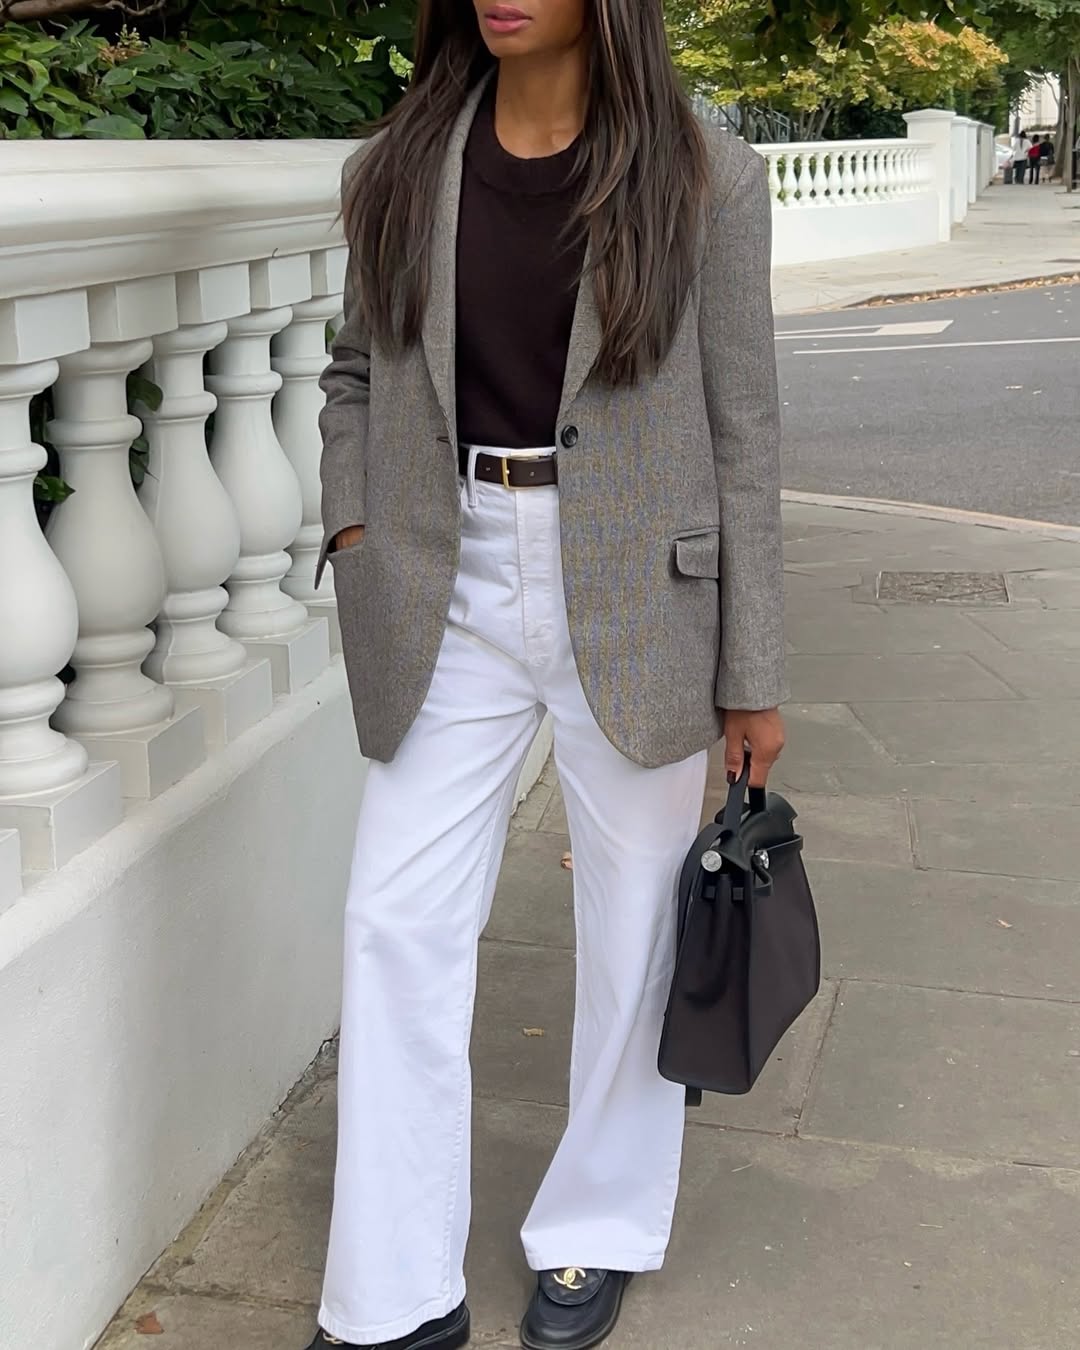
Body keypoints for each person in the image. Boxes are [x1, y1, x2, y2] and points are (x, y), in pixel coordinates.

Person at [307, 2, 787, 1348]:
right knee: (393, 920)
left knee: (634, 925)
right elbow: (354, 374)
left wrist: (754, 674)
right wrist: (356, 524)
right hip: (445, 571)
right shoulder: (402, 161)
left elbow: (743, 427)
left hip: (638, 583)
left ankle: (594, 1228)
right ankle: (393, 1293)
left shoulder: (704, 175)